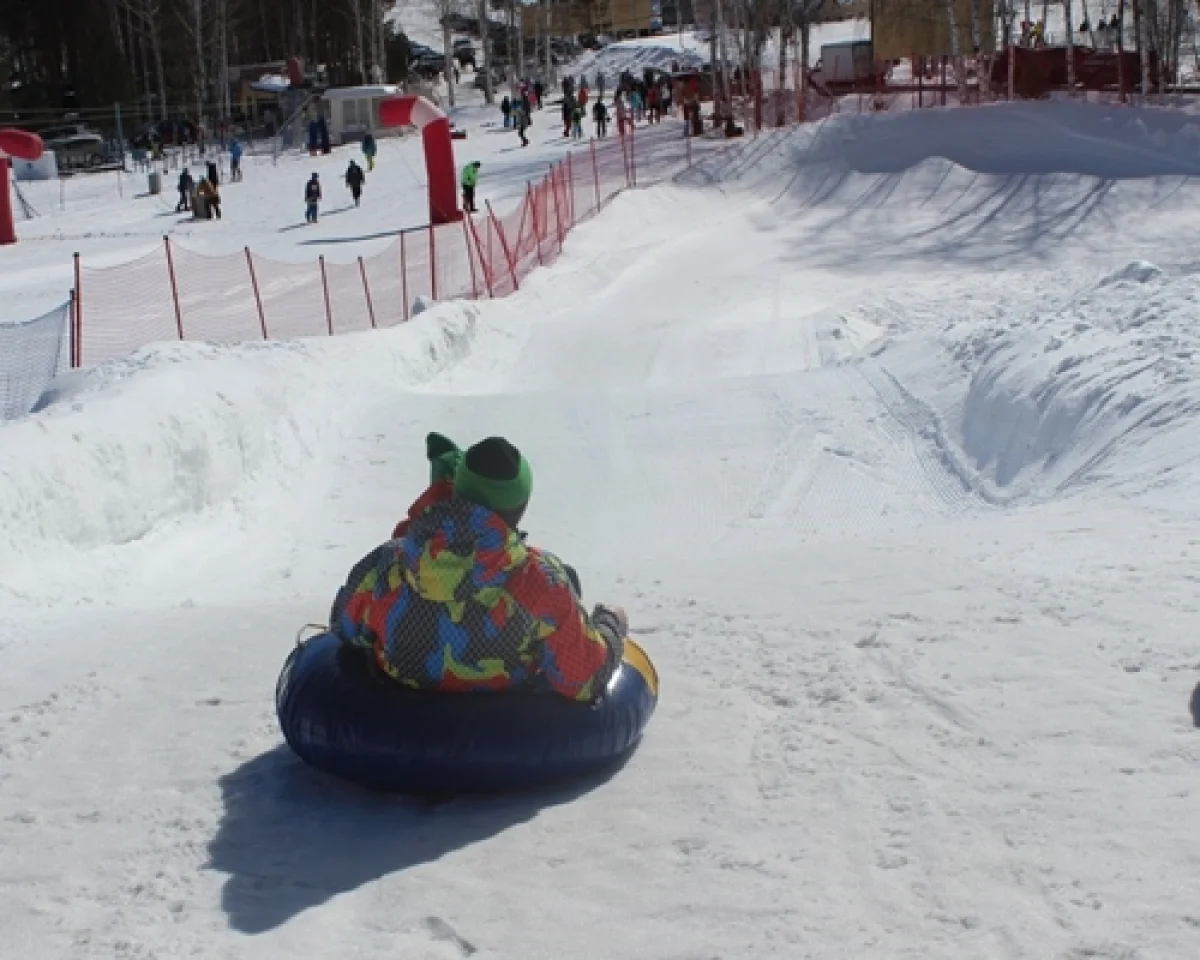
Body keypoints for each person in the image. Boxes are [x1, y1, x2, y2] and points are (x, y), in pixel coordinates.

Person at [331, 434, 626, 702]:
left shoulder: (388, 562)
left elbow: (342, 624)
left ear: (457, 492)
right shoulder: (541, 582)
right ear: (520, 508)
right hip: (505, 727)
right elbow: (584, 678)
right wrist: (610, 624)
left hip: (394, 719)